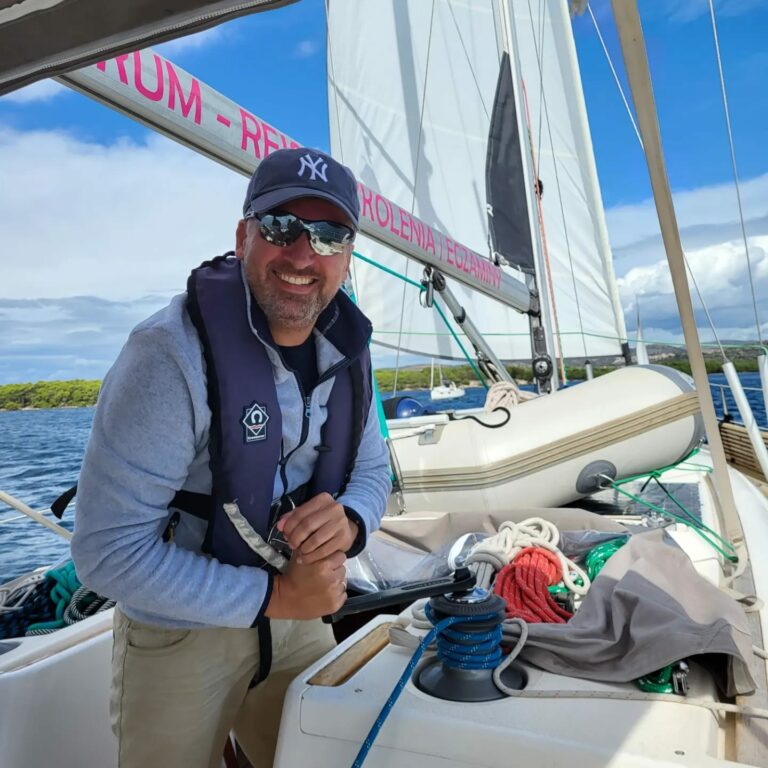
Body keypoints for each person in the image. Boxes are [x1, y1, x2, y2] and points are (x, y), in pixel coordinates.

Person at [71, 147, 392, 768]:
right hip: (181, 628)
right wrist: (273, 597)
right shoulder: (165, 358)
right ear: (244, 234)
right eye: (281, 228)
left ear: (347, 256)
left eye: (328, 235)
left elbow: (372, 472)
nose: (303, 254)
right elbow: (105, 553)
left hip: (301, 615)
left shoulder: (348, 350)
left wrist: (351, 520)